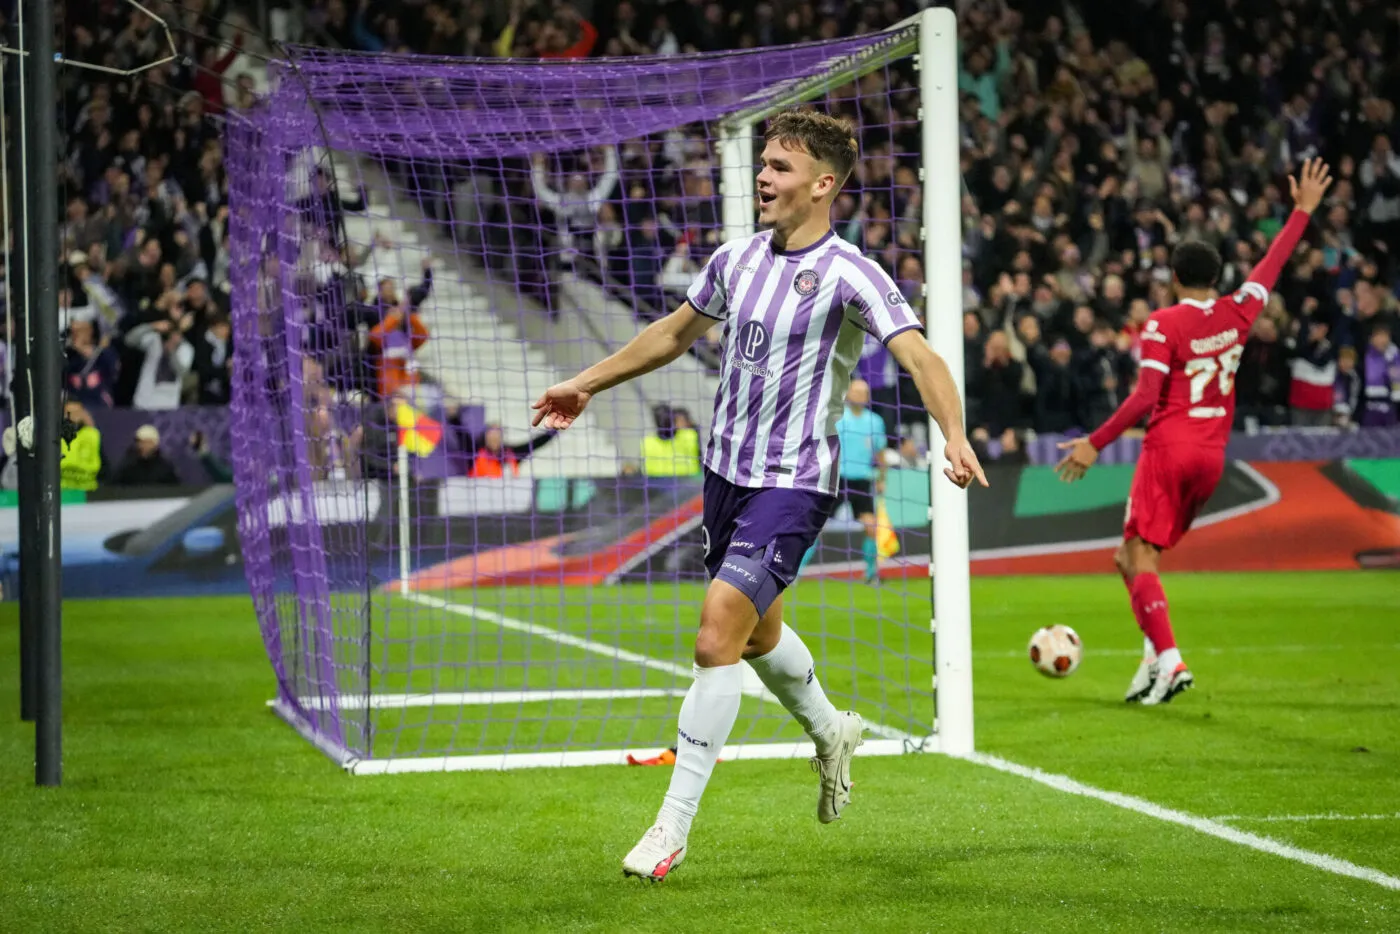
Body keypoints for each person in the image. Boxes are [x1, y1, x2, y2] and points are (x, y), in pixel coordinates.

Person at [531, 109, 986, 881]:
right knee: (761, 634)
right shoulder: (736, 260)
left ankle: (669, 830)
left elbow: (921, 357)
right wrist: (584, 383)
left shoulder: (853, 274)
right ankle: (832, 731)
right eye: (764, 163)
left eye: (778, 167)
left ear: (823, 185)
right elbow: (672, 335)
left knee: (716, 638)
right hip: (724, 476)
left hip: (794, 480)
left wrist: (955, 432)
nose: (763, 177)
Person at [1054, 158, 1333, 707]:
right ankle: (1153, 661)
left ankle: (1172, 659)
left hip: (1169, 448)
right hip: (1212, 456)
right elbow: (1272, 267)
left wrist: (1094, 443)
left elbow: (1143, 398)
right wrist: (1301, 212)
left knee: (1141, 559)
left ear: (1174, 278)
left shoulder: (1164, 323)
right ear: (1218, 276)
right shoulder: (1240, 311)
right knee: (1126, 559)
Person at [834, 379, 887, 583]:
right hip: (837, 479)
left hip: (862, 480)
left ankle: (871, 573)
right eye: (856, 391)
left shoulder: (875, 421)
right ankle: (795, 574)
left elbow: (880, 454)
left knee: (872, 527)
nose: (861, 396)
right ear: (847, 393)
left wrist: (882, 479)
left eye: (864, 392)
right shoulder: (837, 417)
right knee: (815, 528)